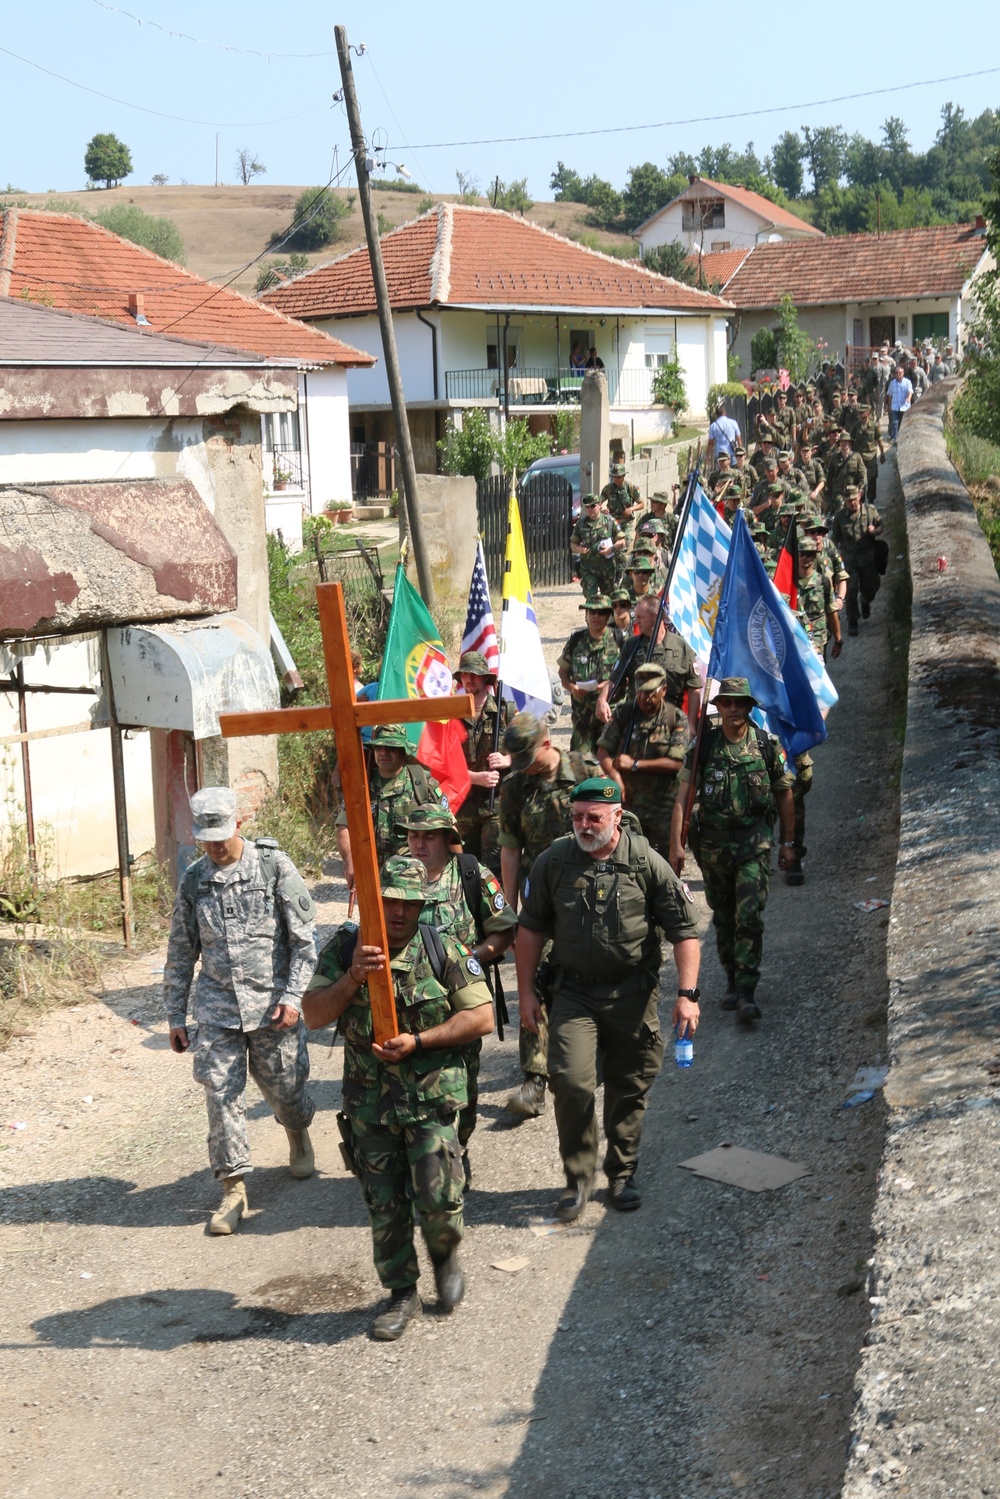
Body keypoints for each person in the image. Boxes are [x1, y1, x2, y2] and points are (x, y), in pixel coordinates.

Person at [303, 856, 494, 1341]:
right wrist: (351, 979)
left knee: (439, 1200)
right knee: (384, 1205)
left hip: (430, 1103)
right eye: (390, 902)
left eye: (410, 905)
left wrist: (422, 1041)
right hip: (370, 1104)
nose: (400, 914)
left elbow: (481, 1018)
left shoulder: (442, 948)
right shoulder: (347, 948)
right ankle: (400, 1293)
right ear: (373, 900)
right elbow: (312, 1015)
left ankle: (445, 1254)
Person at [516, 777, 701, 1221]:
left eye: (593, 817)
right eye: (577, 816)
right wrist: (525, 992)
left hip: (631, 992)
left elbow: (684, 931)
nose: (583, 825)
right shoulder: (554, 861)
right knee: (572, 1081)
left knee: (629, 1083)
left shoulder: (644, 862)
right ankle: (578, 1177)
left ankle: (621, 1172)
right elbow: (530, 929)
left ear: (616, 816)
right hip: (573, 992)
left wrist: (688, 995)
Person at [164, 788, 318, 1236]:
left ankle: (296, 1129)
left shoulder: (272, 866)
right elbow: (179, 951)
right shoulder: (194, 881)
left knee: (287, 1090)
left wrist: (292, 998)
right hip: (216, 1009)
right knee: (221, 1095)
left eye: (221, 836)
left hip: (273, 1008)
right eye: (206, 838)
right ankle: (233, 1191)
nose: (214, 846)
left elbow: (305, 944)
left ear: (239, 825)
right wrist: (176, 1015)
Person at [397, 805, 517, 1189]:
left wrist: (469, 958)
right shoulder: (394, 875)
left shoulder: (471, 875)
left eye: (428, 835)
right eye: (413, 835)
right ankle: (410, 1158)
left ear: (447, 837)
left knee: (460, 1091)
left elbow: (505, 932)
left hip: (459, 1003)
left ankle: (456, 1149)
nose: (419, 843)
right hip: (406, 1004)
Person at [670, 679, 794, 1024]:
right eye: (727, 703)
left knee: (750, 915)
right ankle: (730, 976)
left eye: (740, 703)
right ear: (719, 706)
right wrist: (676, 845)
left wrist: (788, 842)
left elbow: (784, 794)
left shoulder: (767, 746)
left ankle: (747, 989)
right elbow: (683, 797)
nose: (734, 709)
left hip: (754, 845)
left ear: (750, 707)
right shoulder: (704, 747)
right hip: (712, 849)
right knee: (723, 916)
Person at [498, 712, 597, 1117]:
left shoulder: (585, 770)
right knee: (533, 982)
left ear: (546, 742)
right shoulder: (515, 788)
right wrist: (508, 910)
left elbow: (616, 825)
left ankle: (589, 1056)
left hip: (590, 897)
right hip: (541, 901)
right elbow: (509, 848)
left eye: (529, 759)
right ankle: (534, 1081)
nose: (525, 769)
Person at [336, 722, 448, 888]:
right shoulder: (363, 786)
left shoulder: (422, 783)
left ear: (403, 751)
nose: (383, 753)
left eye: (390, 748)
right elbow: (343, 826)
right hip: (376, 874)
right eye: (378, 748)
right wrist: (350, 859)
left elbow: (448, 826)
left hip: (417, 874)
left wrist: (454, 872)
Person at [597, 662, 689, 857]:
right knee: (626, 860)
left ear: (663, 690)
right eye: (639, 692)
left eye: (649, 693)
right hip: (629, 805)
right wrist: (616, 778)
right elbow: (603, 753)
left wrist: (635, 765)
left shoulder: (676, 718)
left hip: (663, 808)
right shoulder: (625, 713)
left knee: (662, 866)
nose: (643, 698)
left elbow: (676, 763)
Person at [452, 651, 512, 873]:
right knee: (466, 867)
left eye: (475, 675)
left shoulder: (505, 711)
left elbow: (530, 748)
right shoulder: (452, 713)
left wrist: (507, 759)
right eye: (465, 675)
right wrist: (475, 778)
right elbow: (443, 762)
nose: (469, 679)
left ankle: (498, 908)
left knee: (494, 869)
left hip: (494, 803)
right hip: (463, 803)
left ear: (486, 678)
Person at [606, 594, 702, 733]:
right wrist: (602, 700)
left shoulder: (681, 646)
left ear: (657, 617)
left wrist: (691, 724)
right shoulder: (632, 646)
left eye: (640, 617)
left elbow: (694, 688)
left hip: (670, 724)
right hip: (637, 724)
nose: (636, 621)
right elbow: (615, 680)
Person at [558, 595, 622, 755]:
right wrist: (571, 687)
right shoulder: (576, 640)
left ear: (608, 616)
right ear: (586, 615)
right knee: (579, 764)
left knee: (609, 762)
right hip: (582, 717)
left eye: (600, 613)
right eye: (591, 612)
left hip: (609, 714)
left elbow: (626, 676)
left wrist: (607, 685)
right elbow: (563, 672)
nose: (595, 616)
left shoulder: (620, 640)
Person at [830, 486, 884, 637]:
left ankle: (865, 601)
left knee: (872, 586)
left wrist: (876, 530)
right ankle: (852, 620)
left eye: (854, 499)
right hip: (849, 561)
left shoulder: (870, 511)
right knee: (850, 590)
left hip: (868, 559)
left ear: (859, 497)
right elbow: (835, 537)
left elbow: (881, 525)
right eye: (849, 501)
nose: (852, 503)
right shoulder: (840, 517)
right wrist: (830, 555)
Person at [570, 493, 625, 599]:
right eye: (587, 507)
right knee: (591, 597)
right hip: (588, 568)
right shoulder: (581, 523)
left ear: (600, 505)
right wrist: (578, 549)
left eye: (593, 506)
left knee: (608, 599)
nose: (590, 509)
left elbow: (622, 541)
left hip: (606, 568)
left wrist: (611, 549)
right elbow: (573, 543)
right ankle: (590, 615)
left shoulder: (610, 521)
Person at [600, 462, 643, 552]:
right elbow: (598, 503)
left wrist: (631, 509)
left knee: (623, 547)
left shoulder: (630, 487)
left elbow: (642, 504)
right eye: (614, 476)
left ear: (624, 476)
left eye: (618, 477)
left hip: (626, 522)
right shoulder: (608, 488)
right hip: (612, 523)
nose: (615, 479)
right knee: (611, 547)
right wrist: (601, 510)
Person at [825, 430, 868, 512]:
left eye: (846, 442)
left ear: (850, 443)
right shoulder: (834, 458)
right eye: (842, 442)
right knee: (840, 505)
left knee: (855, 508)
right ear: (839, 444)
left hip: (853, 491)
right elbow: (829, 476)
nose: (844, 444)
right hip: (839, 491)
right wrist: (829, 492)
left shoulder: (857, 457)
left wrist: (861, 489)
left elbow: (863, 475)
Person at [885, 364, 913, 442]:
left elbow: (910, 391)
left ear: (903, 373)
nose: (898, 374)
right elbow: (890, 395)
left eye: (899, 373)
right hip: (895, 406)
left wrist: (908, 398)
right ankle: (894, 438)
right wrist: (889, 405)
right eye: (896, 373)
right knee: (894, 423)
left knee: (904, 423)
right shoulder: (892, 383)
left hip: (905, 406)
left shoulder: (907, 382)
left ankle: (904, 438)